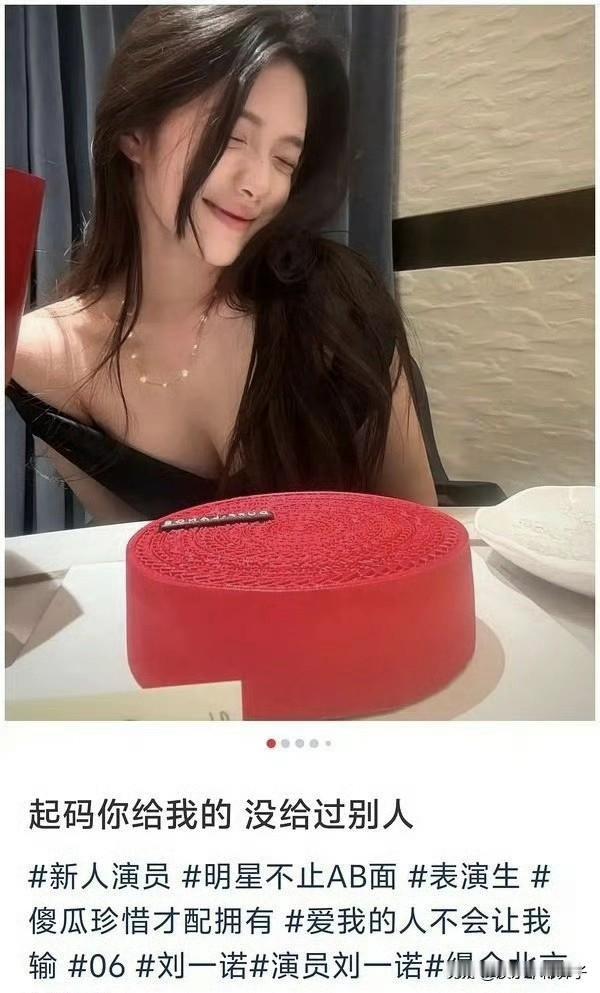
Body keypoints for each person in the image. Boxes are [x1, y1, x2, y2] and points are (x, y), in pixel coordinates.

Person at [9, 5, 437, 525]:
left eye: (284, 160)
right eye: (232, 136)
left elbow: (422, 530)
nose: (258, 183)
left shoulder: (337, 304)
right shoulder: (42, 357)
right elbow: (141, 555)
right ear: (136, 131)